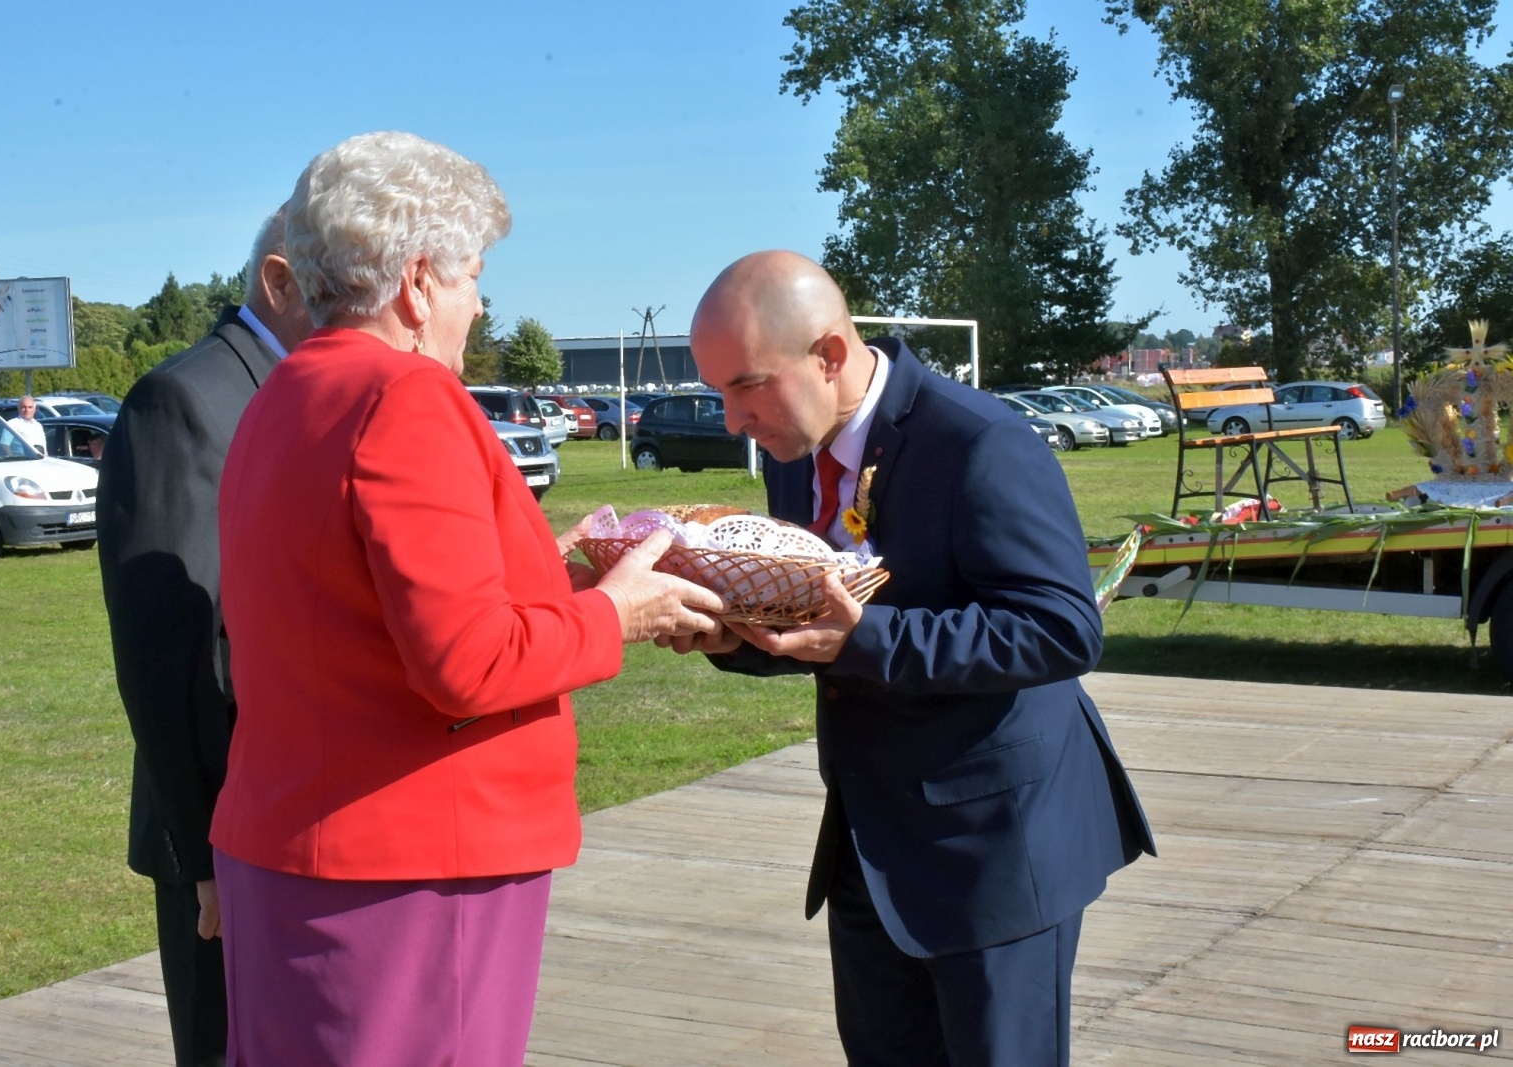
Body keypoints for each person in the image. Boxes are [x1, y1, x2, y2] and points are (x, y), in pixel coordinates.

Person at [208, 131, 723, 1067]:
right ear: (416, 283)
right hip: (406, 867)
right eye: (472, 277)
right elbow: (465, 662)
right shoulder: (406, 397)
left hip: (298, 847)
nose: (479, 305)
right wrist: (620, 612)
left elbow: (352, 604)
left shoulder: (282, 395)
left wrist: (547, 573)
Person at [680, 250, 1156, 1066]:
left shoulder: (980, 440)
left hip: (994, 850)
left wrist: (869, 638)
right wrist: (736, 636)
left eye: (746, 385)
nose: (732, 421)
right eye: (717, 391)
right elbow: (821, 625)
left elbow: (1063, 627)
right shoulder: (795, 454)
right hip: (870, 846)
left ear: (830, 355)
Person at [97, 205, 311, 1067]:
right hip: (223, 844)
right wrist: (208, 853)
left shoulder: (300, 393)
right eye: (339, 279)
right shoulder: (186, 400)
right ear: (281, 280)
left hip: (300, 826)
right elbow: (172, 654)